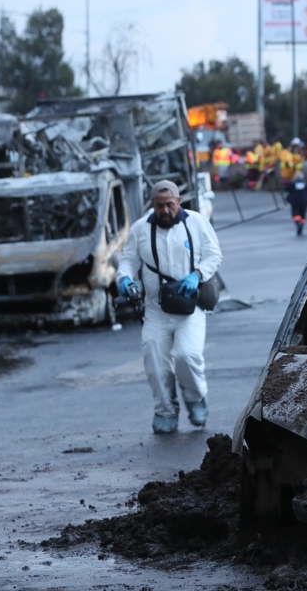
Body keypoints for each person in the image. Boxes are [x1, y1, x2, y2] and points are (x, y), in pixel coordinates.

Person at [115, 180, 223, 434]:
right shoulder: (141, 228)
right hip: (155, 309)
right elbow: (128, 260)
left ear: (179, 201)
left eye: (170, 205)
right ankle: (165, 410)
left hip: (190, 306)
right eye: (159, 205)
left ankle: (196, 399)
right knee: (154, 359)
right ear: (153, 204)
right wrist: (125, 279)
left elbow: (214, 254)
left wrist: (197, 274)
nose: (164, 211)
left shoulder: (195, 222)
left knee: (187, 356)